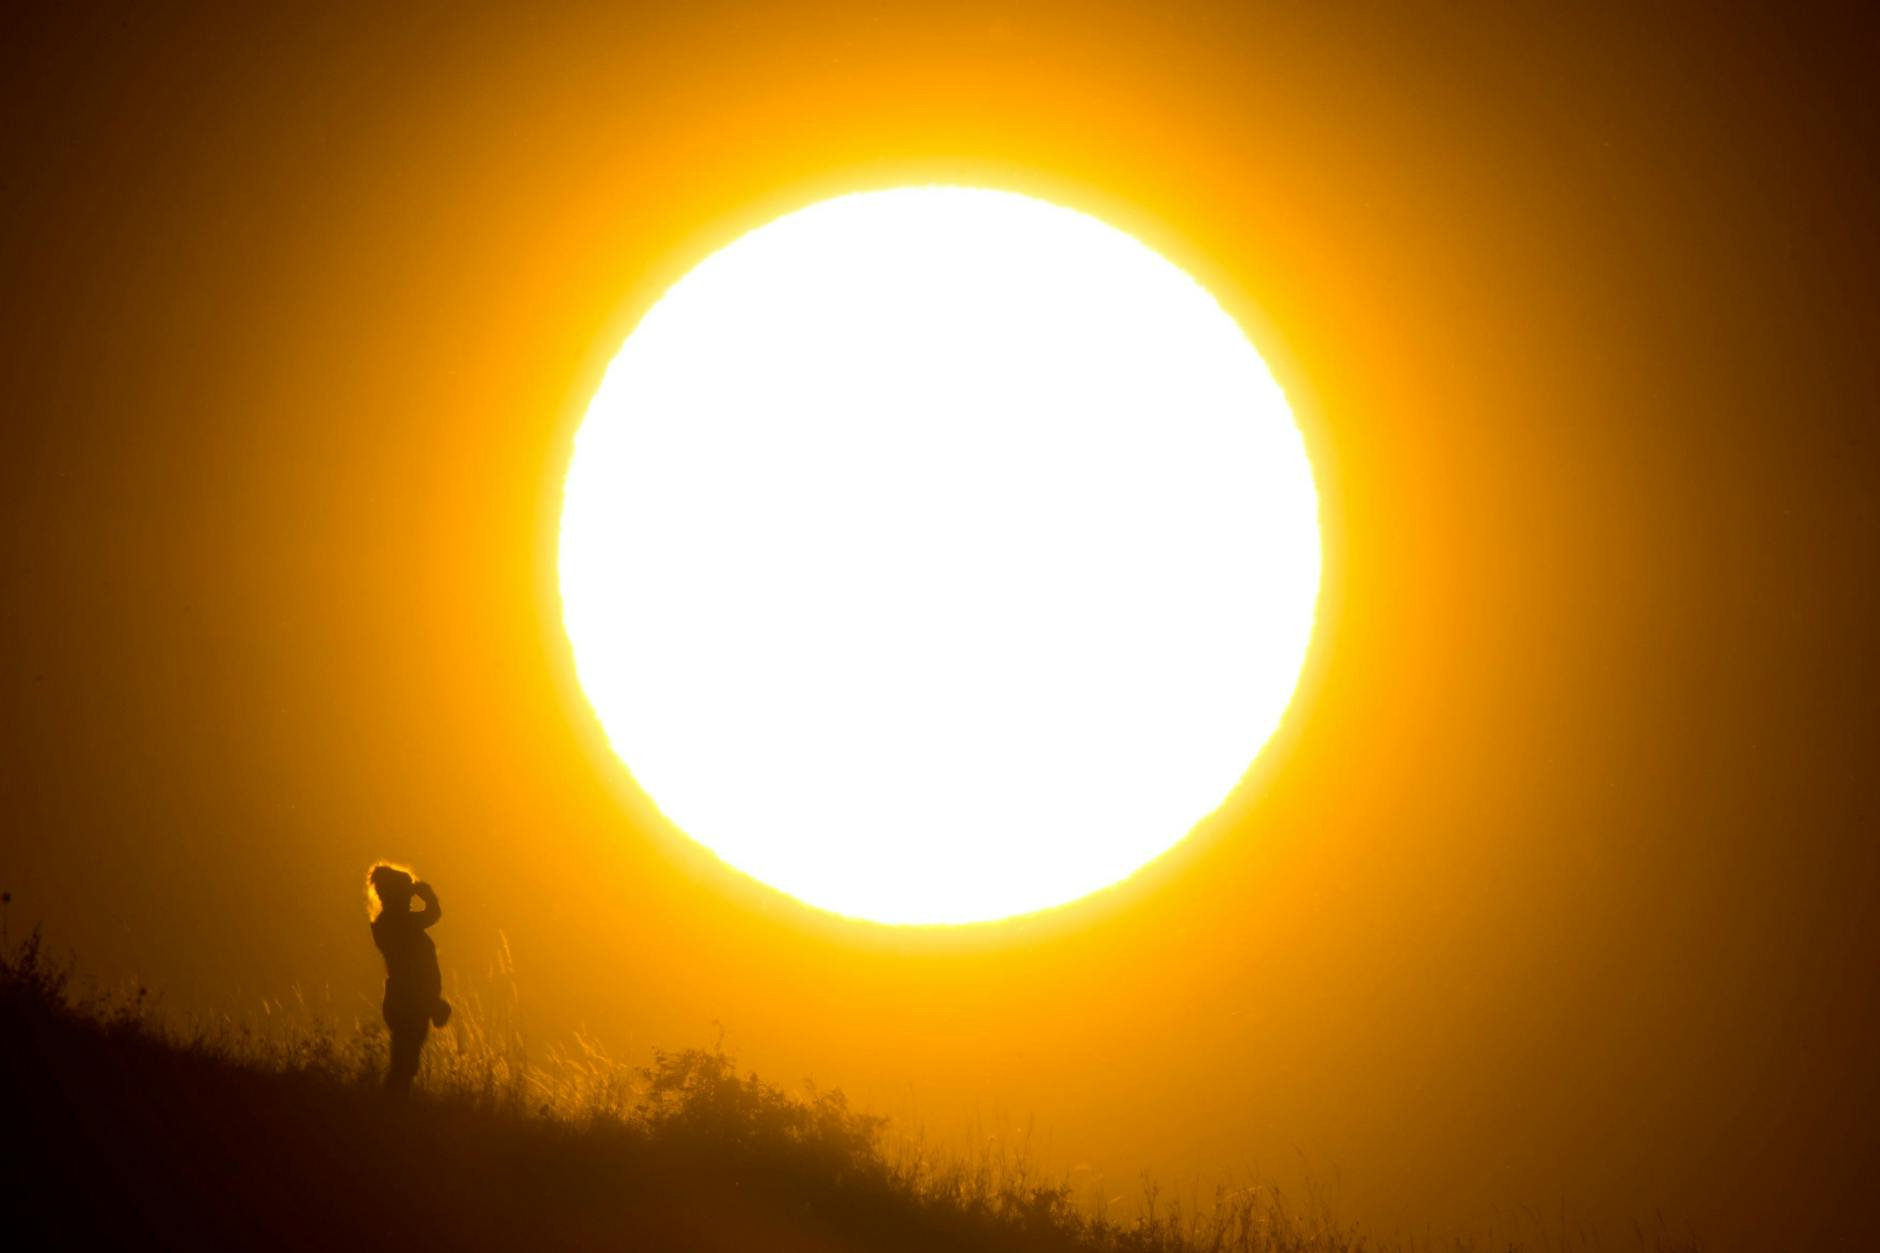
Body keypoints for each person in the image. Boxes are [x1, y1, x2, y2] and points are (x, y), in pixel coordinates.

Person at [366, 862, 451, 1094]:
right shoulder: (395, 923)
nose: (409, 898)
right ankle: (391, 1108)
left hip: (406, 1000)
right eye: (404, 892)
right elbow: (433, 914)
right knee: (405, 1062)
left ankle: (391, 1105)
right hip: (409, 1001)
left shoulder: (390, 923)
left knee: (405, 1060)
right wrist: (427, 894)